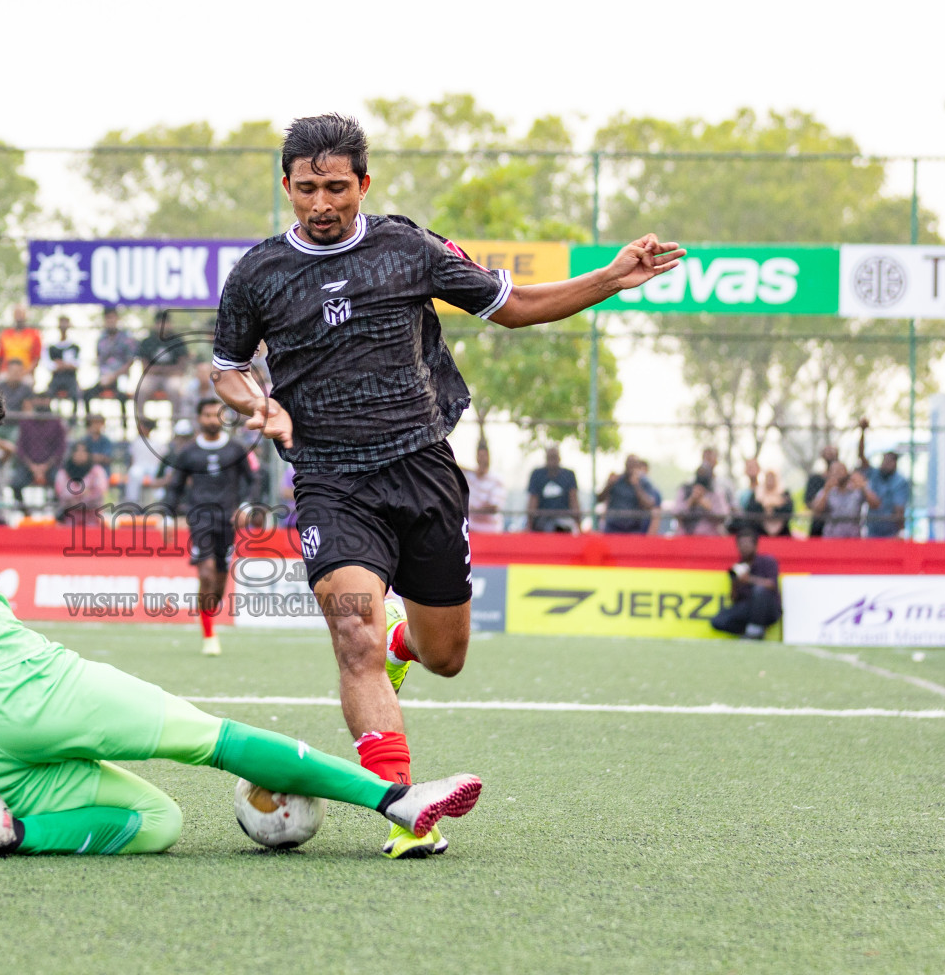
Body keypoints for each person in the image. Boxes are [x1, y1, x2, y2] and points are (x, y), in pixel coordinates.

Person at [0, 331, 482, 860]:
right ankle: (394, 797)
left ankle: (11, 828)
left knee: (156, 822)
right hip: (17, 684)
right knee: (215, 739)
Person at [209, 112, 681, 858]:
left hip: (423, 470)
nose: (322, 204)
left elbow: (513, 308)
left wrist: (612, 279)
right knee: (354, 637)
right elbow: (228, 366)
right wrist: (259, 404)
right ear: (286, 187)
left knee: (445, 656)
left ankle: (408, 642)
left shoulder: (406, 246)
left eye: (337, 188)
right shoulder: (258, 274)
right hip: (331, 481)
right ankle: (403, 807)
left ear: (364, 184)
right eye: (307, 190)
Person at [164, 398, 262, 657]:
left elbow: (254, 480)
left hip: (227, 521)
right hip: (199, 519)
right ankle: (209, 634)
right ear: (199, 418)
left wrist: (247, 505)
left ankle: (209, 614)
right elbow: (175, 486)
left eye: (215, 415)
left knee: (219, 581)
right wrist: (167, 514)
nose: (210, 419)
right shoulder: (188, 453)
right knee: (205, 573)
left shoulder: (236, 450)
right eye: (206, 415)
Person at [710, 529, 782, 639]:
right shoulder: (738, 568)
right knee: (717, 621)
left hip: (769, 608)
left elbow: (771, 585)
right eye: (741, 544)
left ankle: (755, 630)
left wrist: (748, 579)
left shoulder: (768, 561)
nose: (744, 547)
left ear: (755, 545)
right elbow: (734, 599)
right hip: (748, 607)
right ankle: (751, 631)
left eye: (747, 544)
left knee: (759, 590)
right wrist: (735, 582)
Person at [10, 396, 68, 509]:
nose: (42, 402)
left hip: (50, 465)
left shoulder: (56, 423)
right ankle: (25, 512)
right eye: (39, 399)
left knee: (61, 483)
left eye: (44, 399)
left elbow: (60, 449)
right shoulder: (26, 422)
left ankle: (57, 513)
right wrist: (32, 466)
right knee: (15, 483)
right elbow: (20, 448)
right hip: (28, 466)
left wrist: (45, 467)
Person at [83, 307, 140, 420]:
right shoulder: (101, 338)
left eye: (112, 317)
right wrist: (105, 376)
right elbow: (99, 359)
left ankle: (125, 429)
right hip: (104, 377)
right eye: (108, 318)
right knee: (86, 394)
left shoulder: (126, 337)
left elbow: (130, 361)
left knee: (123, 396)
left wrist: (113, 376)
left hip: (121, 377)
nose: (110, 321)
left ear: (117, 319)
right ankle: (90, 425)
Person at [856, 420, 909, 539]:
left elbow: (899, 509)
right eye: (884, 461)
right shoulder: (875, 474)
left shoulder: (900, 481)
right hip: (873, 530)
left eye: (889, 462)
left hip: (890, 532)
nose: (885, 464)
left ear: (895, 463)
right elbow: (861, 456)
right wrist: (862, 433)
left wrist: (901, 531)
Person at [135, 312, 192, 417]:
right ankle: (142, 423)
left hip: (172, 377)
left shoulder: (177, 340)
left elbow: (181, 367)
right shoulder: (147, 341)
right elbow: (144, 367)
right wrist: (167, 369)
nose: (163, 325)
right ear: (155, 324)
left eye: (165, 322)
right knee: (141, 389)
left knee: (175, 389)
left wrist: (159, 369)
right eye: (160, 322)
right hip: (152, 377)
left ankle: (176, 424)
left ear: (170, 324)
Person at [599, 455, 662, 535]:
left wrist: (636, 486)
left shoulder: (643, 482)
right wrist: (609, 485)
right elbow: (599, 499)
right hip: (613, 528)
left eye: (633, 464)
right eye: (629, 464)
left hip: (634, 529)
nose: (631, 467)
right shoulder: (617, 480)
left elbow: (650, 504)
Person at [810, 460, 871, 539]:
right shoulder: (826, 490)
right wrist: (826, 491)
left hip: (853, 538)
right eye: (834, 471)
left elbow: (876, 505)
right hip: (831, 538)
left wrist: (863, 487)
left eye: (840, 470)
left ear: (847, 472)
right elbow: (817, 512)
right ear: (829, 474)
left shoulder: (857, 489)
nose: (837, 473)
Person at [526, 447, 581, 533]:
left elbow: (573, 499)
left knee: (561, 527)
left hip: (564, 520)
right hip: (542, 521)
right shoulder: (537, 475)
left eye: (554, 457)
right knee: (549, 527)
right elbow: (533, 501)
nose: (552, 461)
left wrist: (578, 525)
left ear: (559, 458)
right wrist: (529, 525)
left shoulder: (568, 475)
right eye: (550, 457)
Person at [672, 463, 730, 537]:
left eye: (704, 473)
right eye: (700, 473)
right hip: (685, 537)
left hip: (709, 538)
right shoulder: (685, 489)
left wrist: (705, 504)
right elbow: (675, 512)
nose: (701, 476)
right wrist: (691, 501)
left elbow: (724, 516)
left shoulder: (716, 492)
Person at [54, 442, 109, 519]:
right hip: (69, 519)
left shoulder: (97, 471)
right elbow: (61, 494)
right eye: (77, 451)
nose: (80, 454)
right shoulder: (63, 473)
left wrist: (77, 495)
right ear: (72, 454)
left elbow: (100, 492)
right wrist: (83, 493)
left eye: (83, 451)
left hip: (93, 518)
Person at [44, 315, 83, 418]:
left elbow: (78, 364)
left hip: (70, 378)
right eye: (61, 323)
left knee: (76, 395)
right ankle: (51, 420)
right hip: (56, 378)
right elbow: (48, 364)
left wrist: (63, 364)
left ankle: (73, 421)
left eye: (66, 323)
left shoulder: (75, 345)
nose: (63, 326)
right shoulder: (51, 346)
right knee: (47, 395)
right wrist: (62, 365)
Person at [738, 468, 793, 537]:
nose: (770, 480)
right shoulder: (756, 493)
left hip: (782, 533)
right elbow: (750, 511)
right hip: (759, 532)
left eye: (772, 477)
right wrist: (765, 508)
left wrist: (773, 509)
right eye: (768, 477)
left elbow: (789, 511)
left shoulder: (784, 494)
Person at [464, 441, 504, 534]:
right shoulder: (471, 476)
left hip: (490, 532)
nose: (481, 459)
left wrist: (472, 509)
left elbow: (493, 507)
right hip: (471, 531)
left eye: (484, 456)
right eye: (479, 456)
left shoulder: (496, 480)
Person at [123, 417, 164, 505]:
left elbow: (162, 459)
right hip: (139, 467)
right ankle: (132, 502)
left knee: (158, 477)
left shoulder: (157, 442)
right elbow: (132, 458)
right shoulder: (136, 442)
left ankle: (160, 500)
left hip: (153, 468)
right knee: (134, 473)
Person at [0, 303, 41, 376]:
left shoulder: (34, 334)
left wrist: (26, 372)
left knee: (27, 383)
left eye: (21, 313)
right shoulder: (5, 334)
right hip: (6, 372)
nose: (18, 316)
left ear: (26, 315)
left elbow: (36, 358)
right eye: (16, 313)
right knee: (0, 381)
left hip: (25, 373)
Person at [803, 444, 839, 538]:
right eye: (827, 452)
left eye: (832, 452)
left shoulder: (843, 481)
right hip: (818, 526)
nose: (830, 454)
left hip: (840, 528)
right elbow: (808, 503)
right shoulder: (815, 479)